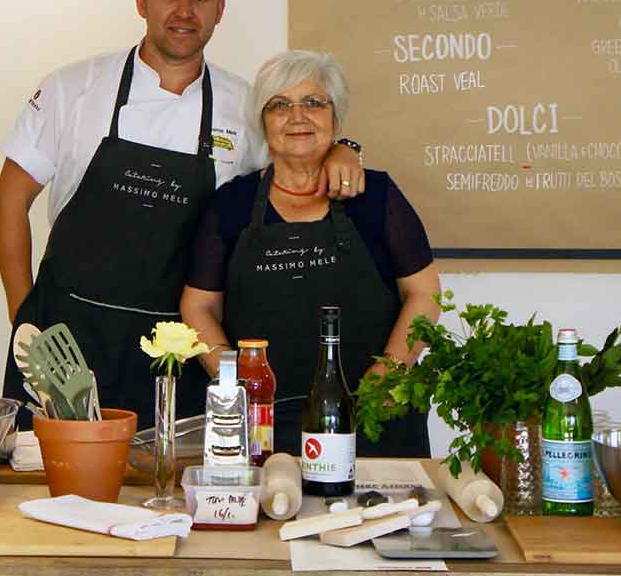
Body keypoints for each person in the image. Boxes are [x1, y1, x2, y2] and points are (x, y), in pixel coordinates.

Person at [0, 0, 364, 429]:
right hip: (67, 345)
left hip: (183, 349)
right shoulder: (72, 89)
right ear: (143, 1)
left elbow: (300, 163)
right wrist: (27, 320)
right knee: (46, 493)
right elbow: (9, 202)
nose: (184, 12)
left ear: (220, 8)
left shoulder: (245, 104)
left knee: (175, 493)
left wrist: (344, 147)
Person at [180, 50, 441, 456]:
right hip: (264, 423)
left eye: (313, 103)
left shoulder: (377, 195)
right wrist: (235, 382)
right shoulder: (230, 204)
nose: (296, 116)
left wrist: (388, 374)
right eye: (279, 105)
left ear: (336, 119)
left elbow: (425, 293)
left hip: (375, 417)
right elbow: (199, 307)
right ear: (263, 123)